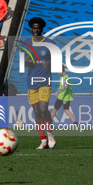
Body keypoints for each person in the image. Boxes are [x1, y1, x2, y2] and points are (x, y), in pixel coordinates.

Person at [23, 17, 56, 149]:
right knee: (36, 112)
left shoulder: (50, 43)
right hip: (31, 82)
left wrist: (50, 63)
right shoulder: (26, 44)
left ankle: (50, 135)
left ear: (42, 29)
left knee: (43, 109)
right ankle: (43, 141)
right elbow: (22, 61)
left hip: (45, 81)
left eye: (38, 28)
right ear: (31, 29)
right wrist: (24, 60)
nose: (36, 30)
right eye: (34, 28)